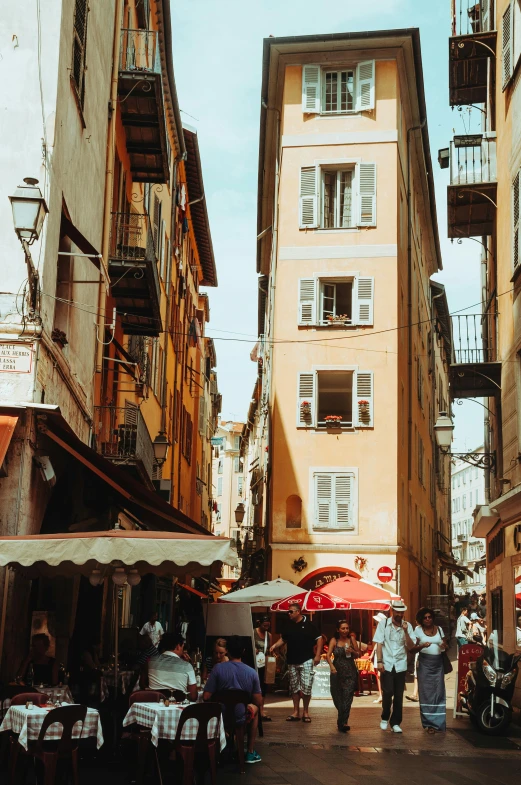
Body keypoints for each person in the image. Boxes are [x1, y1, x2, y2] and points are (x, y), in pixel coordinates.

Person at [203, 635, 263, 765]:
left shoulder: (218, 669)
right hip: (240, 717)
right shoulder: (252, 672)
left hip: (219, 717)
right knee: (256, 709)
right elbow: (258, 701)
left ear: (228, 651)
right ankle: (250, 751)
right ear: (243, 652)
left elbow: (206, 696)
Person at [269, 602, 322, 723]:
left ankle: (306, 712)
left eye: (291, 611)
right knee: (294, 687)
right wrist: (274, 645)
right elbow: (284, 639)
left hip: (306, 659)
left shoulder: (309, 624)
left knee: (307, 687)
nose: (289, 614)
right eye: (288, 611)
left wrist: (318, 655)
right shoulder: (289, 625)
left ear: (298, 612)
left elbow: (319, 639)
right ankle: (296, 711)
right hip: (292, 660)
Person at [373, 599, 416, 733]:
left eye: (401, 612)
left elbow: (411, 646)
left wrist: (406, 632)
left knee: (398, 695)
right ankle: (385, 717)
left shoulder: (407, 626)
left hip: (400, 664)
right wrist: (379, 661)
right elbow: (379, 643)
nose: (399, 614)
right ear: (392, 611)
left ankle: (396, 722)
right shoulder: (383, 624)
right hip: (386, 663)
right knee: (388, 692)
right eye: (397, 611)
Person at [414, 607, 448, 734]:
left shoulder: (439, 629)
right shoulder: (417, 630)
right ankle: (429, 724)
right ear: (421, 620)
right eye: (425, 617)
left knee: (439, 691)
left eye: (430, 617)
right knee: (426, 693)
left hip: (438, 664)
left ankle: (439, 723)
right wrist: (422, 645)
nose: (428, 619)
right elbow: (413, 648)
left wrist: (444, 646)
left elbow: (445, 644)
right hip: (424, 664)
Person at [326, 620, 360, 732]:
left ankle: (344, 722)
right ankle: (341, 719)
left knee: (348, 697)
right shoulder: (334, 640)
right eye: (343, 628)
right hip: (337, 672)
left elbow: (358, 654)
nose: (345, 630)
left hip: (350, 671)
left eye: (347, 628)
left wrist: (353, 651)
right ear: (338, 630)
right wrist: (332, 667)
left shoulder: (352, 640)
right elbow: (328, 655)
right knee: (337, 697)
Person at [142, 632, 197, 701]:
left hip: (154, 706)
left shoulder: (151, 661)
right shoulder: (187, 666)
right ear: (178, 646)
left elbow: (142, 683)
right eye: (182, 647)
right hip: (178, 709)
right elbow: (193, 696)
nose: (183, 650)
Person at [254, 617, 272, 721]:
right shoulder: (253, 632)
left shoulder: (269, 635)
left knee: (263, 687)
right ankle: (255, 709)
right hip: (254, 664)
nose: (266, 627)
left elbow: (269, 650)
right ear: (259, 623)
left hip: (263, 664)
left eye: (268, 626)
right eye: (264, 625)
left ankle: (261, 710)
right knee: (255, 686)